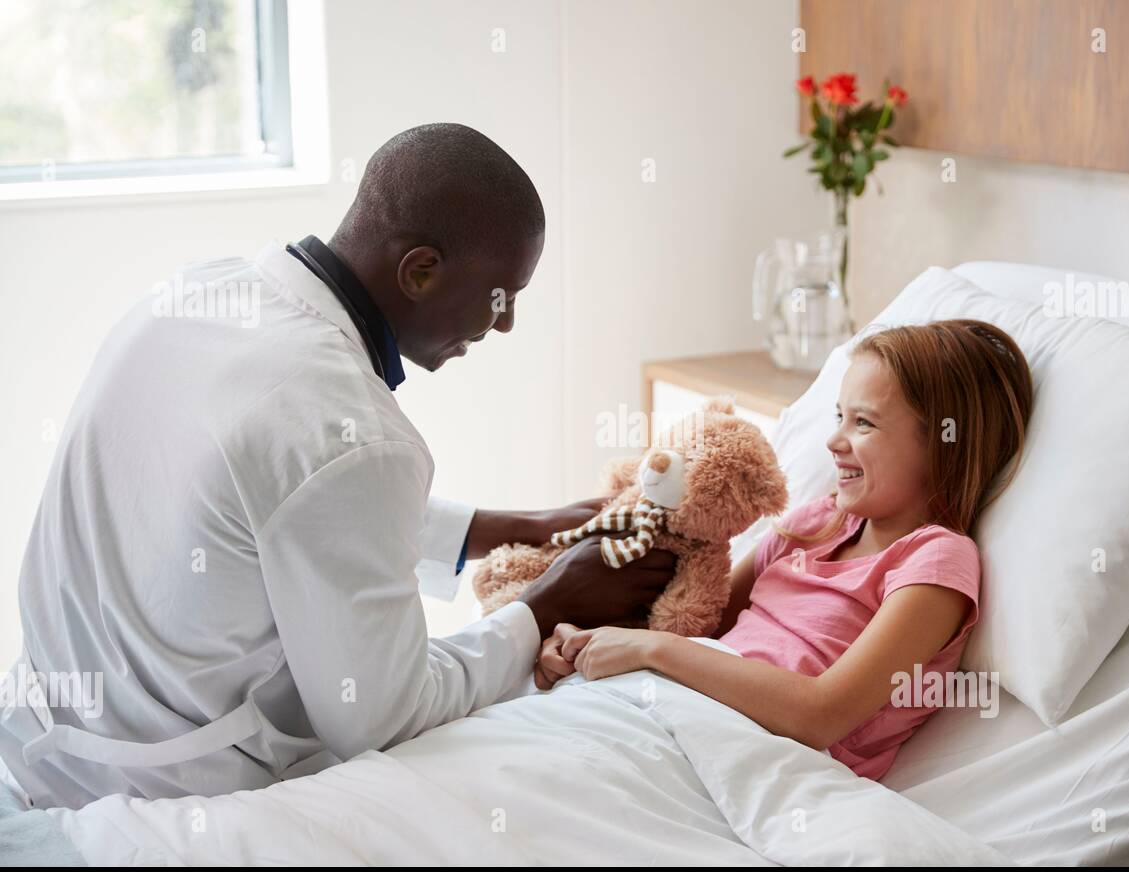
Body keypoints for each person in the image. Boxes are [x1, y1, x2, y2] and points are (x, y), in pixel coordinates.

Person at [0, 124, 675, 810]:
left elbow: (277, 499)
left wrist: (510, 527)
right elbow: (384, 716)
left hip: (46, 732)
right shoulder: (350, 434)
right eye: (503, 296)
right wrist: (548, 603)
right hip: (158, 788)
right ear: (420, 271)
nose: (503, 325)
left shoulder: (194, 295)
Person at [535, 319, 1034, 781]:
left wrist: (653, 649)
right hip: (676, 711)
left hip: (766, 757)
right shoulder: (817, 523)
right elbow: (703, 622)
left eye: (865, 423)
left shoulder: (935, 561)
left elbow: (822, 714)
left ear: (944, 442)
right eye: (840, 416)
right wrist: (592, 643)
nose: (834, 440)